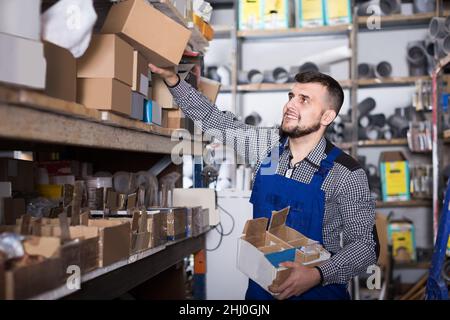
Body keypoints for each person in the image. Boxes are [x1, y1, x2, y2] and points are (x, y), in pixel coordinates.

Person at [149, 64, 379, 300]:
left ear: (327, 116)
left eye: (304, 100)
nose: (290, 105)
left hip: (318, 291)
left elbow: (365, 248)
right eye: (291, 96)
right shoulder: (268, 149)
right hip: (263, 289)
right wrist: (174, 81)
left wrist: (316, 274)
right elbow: (214, 120)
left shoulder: (346, 173)